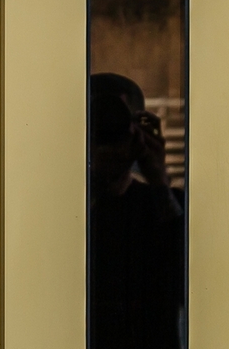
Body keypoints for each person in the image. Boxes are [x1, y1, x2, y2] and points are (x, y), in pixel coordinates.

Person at [88, 73, 184, 349]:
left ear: (139, 131)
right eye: (99, 122)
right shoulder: (60, 211)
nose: (108, 131)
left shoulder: (168, 207)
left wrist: (159, 180)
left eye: (117, 121)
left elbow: (192, 286)